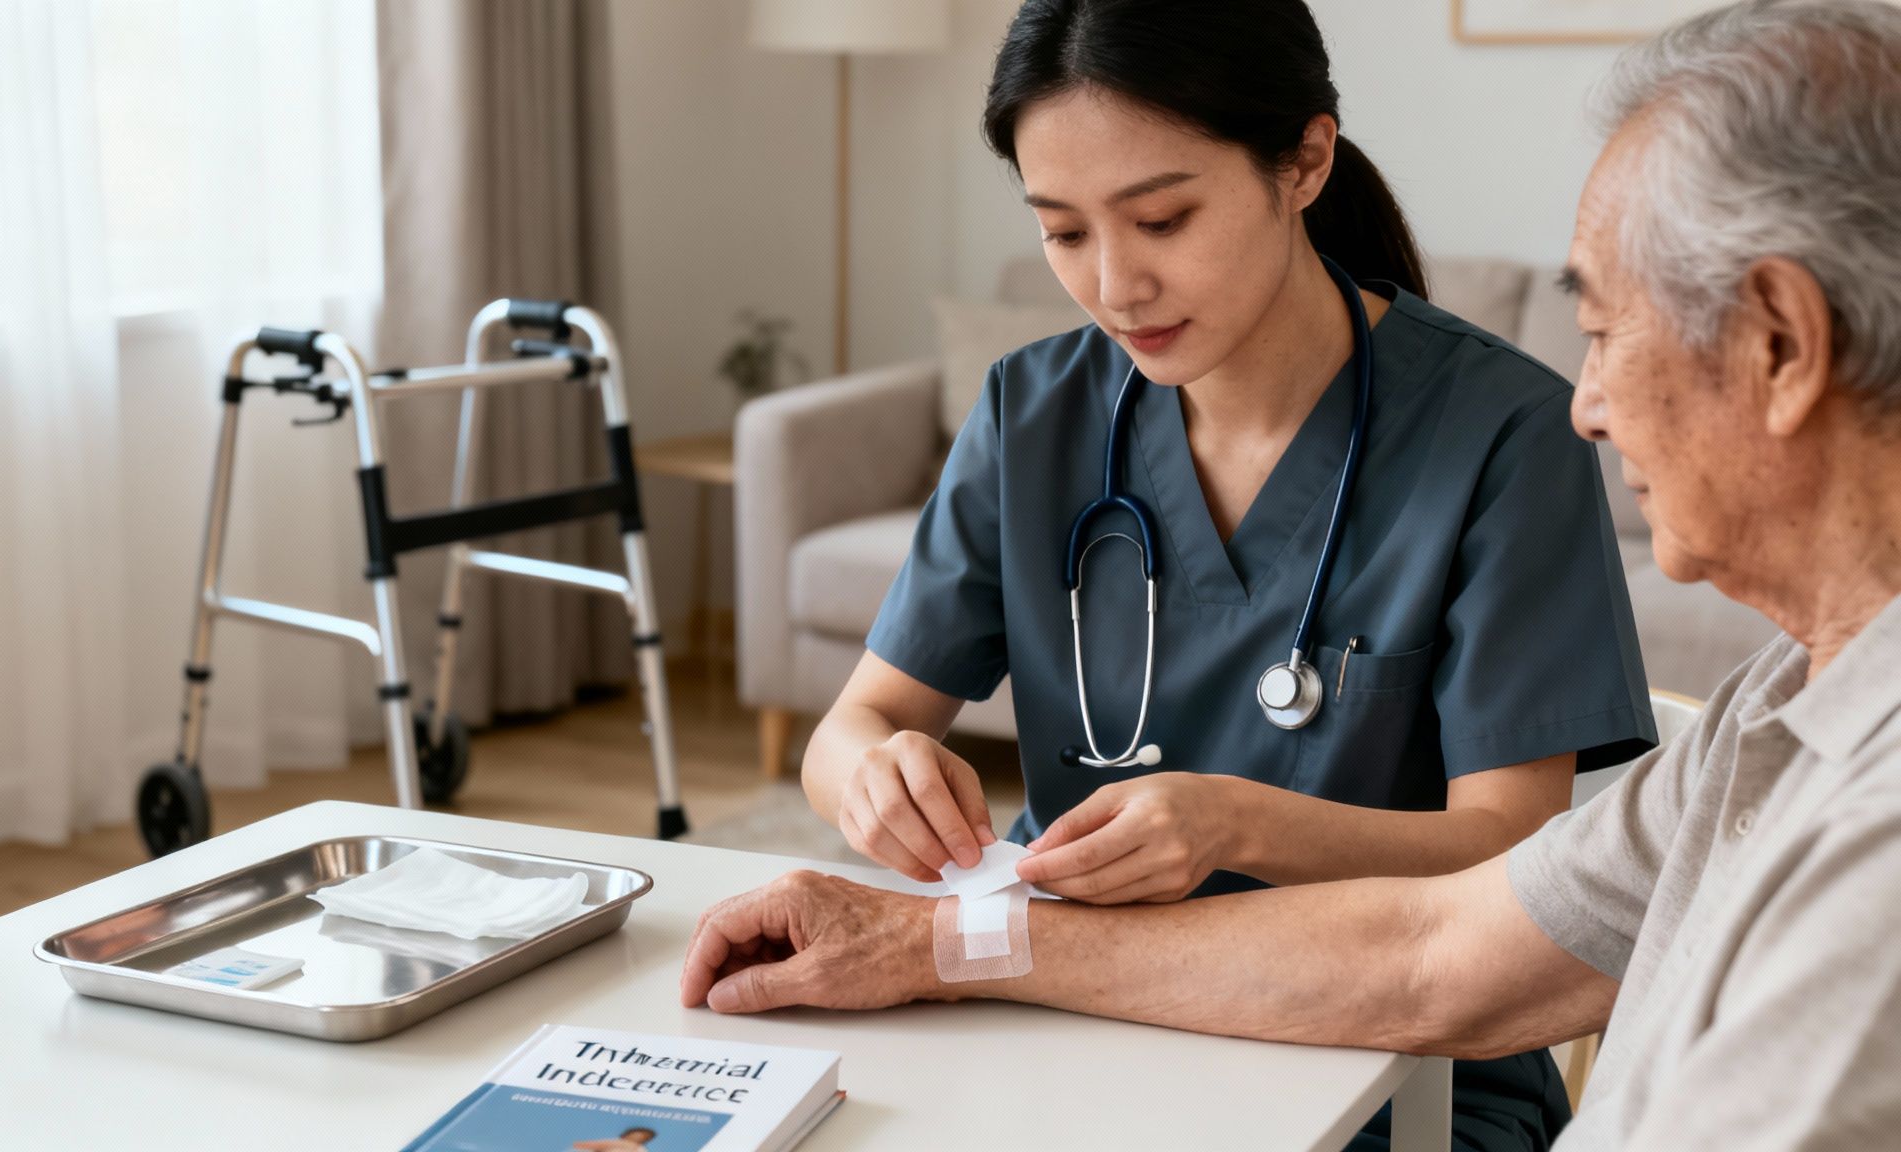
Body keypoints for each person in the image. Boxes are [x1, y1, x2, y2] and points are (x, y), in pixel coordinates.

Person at [684, 2, 1901, 1146]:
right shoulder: (1771, 711)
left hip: (1377, 1069)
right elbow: (1438, 951)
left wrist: (1232, 824)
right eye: (1061, 231)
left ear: (1303, 164)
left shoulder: (1496, 435)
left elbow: (1460, 939)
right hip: (1061, 1009)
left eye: (1161, 220)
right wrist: (907, 874)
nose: (1113, 283)